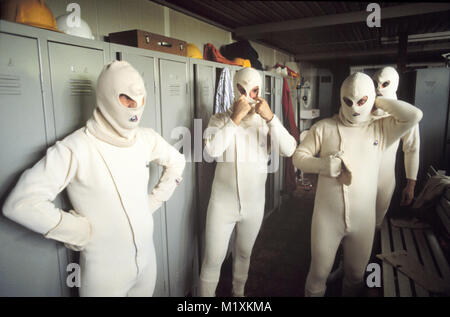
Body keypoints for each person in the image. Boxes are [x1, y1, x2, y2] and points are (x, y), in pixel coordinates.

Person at [2, 61, 186, 296]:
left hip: (148, 261)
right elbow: (19, 204)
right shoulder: (75, 148)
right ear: (107, 97)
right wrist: (76, 230)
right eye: (126, 98)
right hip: (104, 273)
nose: (135, 107)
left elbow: (177, 162)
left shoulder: (146, 139)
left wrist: (153, 202)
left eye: (141, 99)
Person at [293, 72, 422, 297]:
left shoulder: (380, 129)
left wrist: (376, 98)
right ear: (341, 98)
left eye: (361, 101)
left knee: (356, 276)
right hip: (327, 219)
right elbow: (298, 157)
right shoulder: (324, 127)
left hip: (364, 219)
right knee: (318, 275)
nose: (355, 108)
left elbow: (414, 116)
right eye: (349, 101)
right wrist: (324, 165)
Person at [199, 67, 297, 297]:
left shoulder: (266, 123)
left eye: (254, 91)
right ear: (235, 90)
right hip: (222, 205)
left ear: (260, 91)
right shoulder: (220, 119)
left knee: (244, 254)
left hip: (253, 205)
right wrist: (235, 119)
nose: (248, 97)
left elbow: (289, 148)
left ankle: (238, 295)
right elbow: (211, 151)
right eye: (242, 91)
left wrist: (271, 118)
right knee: (213, 259)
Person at [372, 67, 420, 227]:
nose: (379, 89)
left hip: (385, 179)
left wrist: (411, 184)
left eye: (384, 84)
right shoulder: (363, 109)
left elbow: (412, 148)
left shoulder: (404, 114)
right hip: (358, 177)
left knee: (376, 223)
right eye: (375, 84)